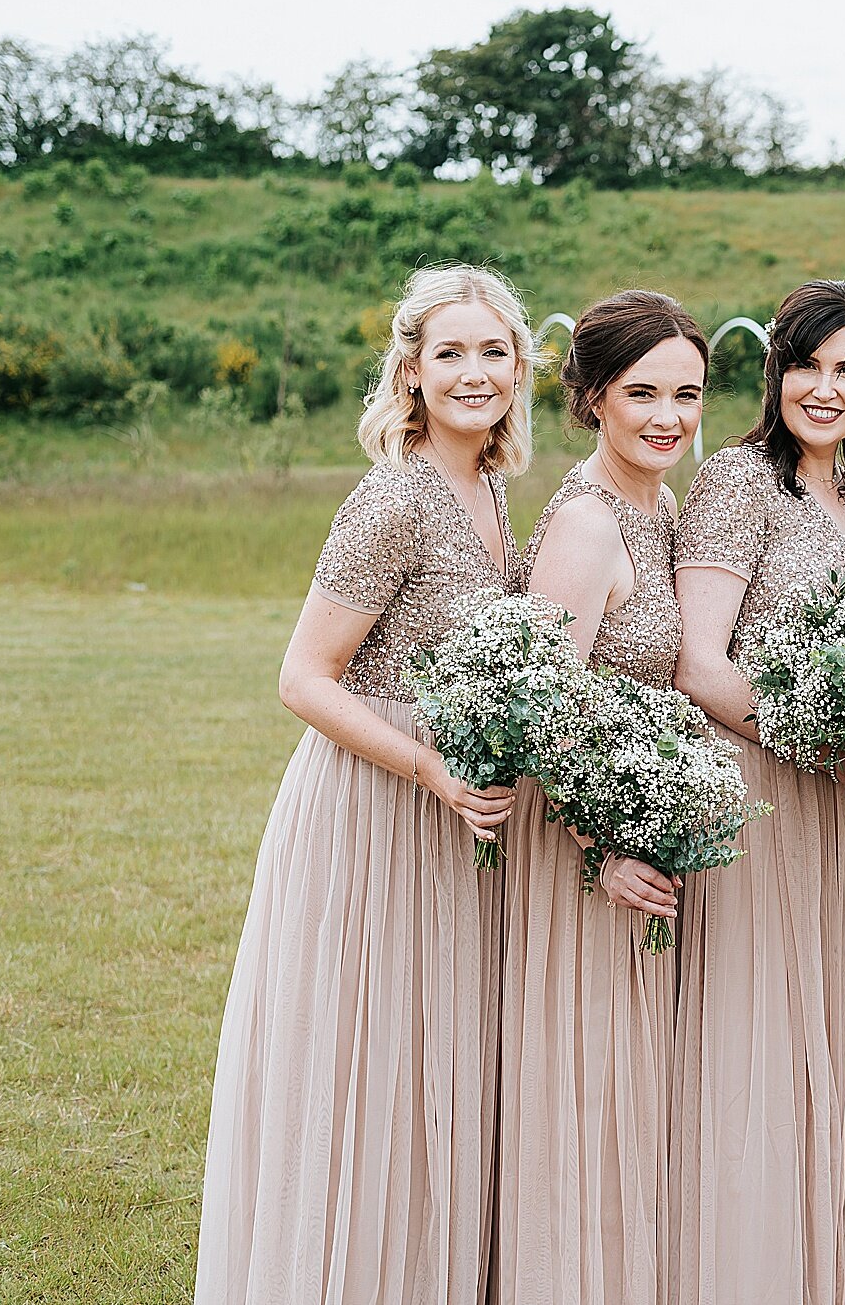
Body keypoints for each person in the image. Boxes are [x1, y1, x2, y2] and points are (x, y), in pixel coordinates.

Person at [194, 263, 537, 1305]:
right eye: (450, 354)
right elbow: (302, 675)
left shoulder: (489, 485)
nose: (473, 372)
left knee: (435, 1065)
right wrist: (430, 764)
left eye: (492, 352)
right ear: (411, 373)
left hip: (453, 811)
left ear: (520, 368)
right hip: (374, 806)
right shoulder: (393, 498)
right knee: (365, 1068)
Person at [670, 279, 845, 1305]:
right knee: (756, 1033)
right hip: (759, 788)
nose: (824, 385)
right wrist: (805, 743)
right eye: (806, 362)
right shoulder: (737, 481)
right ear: (775, 371)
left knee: (835, 1033)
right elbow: (697, 661)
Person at [492, 289, 707, 1303]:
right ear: (590, 398)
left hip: (644, 837)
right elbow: (540, 712)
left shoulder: (659, 505)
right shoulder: (585, 523)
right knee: (587, 1100)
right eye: (643, 394)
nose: (667, 416)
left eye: (685, 394)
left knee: (638, 1105)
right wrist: (599, 847)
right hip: (589, 863)